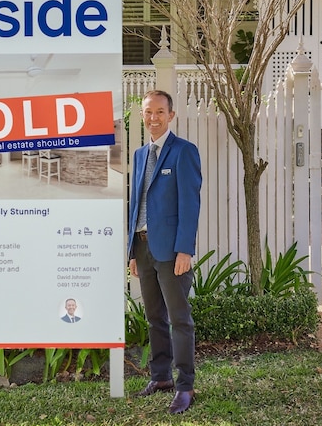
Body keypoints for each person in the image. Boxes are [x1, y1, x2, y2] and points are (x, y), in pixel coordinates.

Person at [127, 89, 201, 414]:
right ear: (142, 116)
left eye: (159, 112)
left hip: (172, 251)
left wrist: (185, 249)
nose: (153, 118)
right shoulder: (140, 155)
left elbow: (190, 203)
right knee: (154, 317)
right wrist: (131, 250)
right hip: (143, 249)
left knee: (179, 320)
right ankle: (161, 377)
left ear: (171, 115)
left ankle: (186, 386)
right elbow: (135, 206)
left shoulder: (184, 152)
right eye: (148, 112)